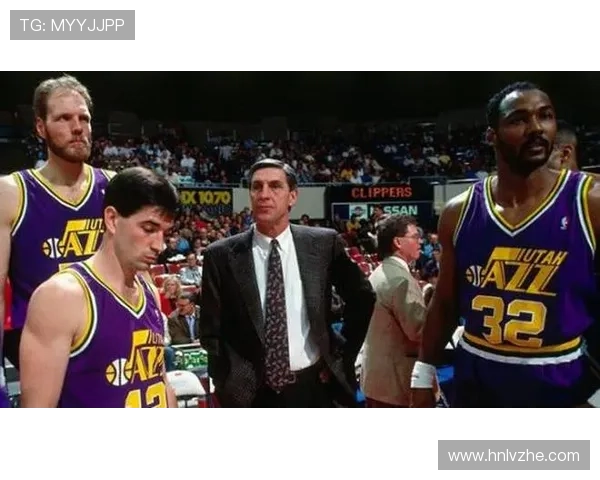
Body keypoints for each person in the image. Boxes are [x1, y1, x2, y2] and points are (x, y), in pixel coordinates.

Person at [411, 81, 600, 408]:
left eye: (545, 116)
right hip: (476, 376)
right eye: (519, 120)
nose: (536, 128)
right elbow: (445, 303)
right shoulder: (459, 211)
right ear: (492, 136)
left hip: (561, 378)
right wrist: (422, 373)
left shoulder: (589, 202)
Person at [200, 158, 376, 408]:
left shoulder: (324, 244)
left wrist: (341, 356)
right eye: (256, 187)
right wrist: (227, 383)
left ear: (292, 196)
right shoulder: (220, 254)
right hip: (249, 395)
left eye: (275, 186)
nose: (264, 194)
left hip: (315, 385)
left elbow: (363, 298)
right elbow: (210, 331)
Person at [19, 167, 179, 408]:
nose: (160, 245)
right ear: (112, 219)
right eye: (148, 229)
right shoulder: (61, 297)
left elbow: (160, 380)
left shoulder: (149, 292)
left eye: (164, 233)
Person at [0, 74, 114, 371]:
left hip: (109, 339)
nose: (77, 127)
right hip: (43, 347)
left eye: (84, 118)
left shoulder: (114, 187)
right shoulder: (11, 192)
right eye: (64, 118)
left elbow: (136, 276)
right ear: (40, 127)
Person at [360, 215, 427, 407]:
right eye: (415, 236)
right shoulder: (401, 280)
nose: (420, 241)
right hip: (396, 384)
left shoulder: (379, 272)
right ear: (398, 242)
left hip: (376, 379)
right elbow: (419, 332)